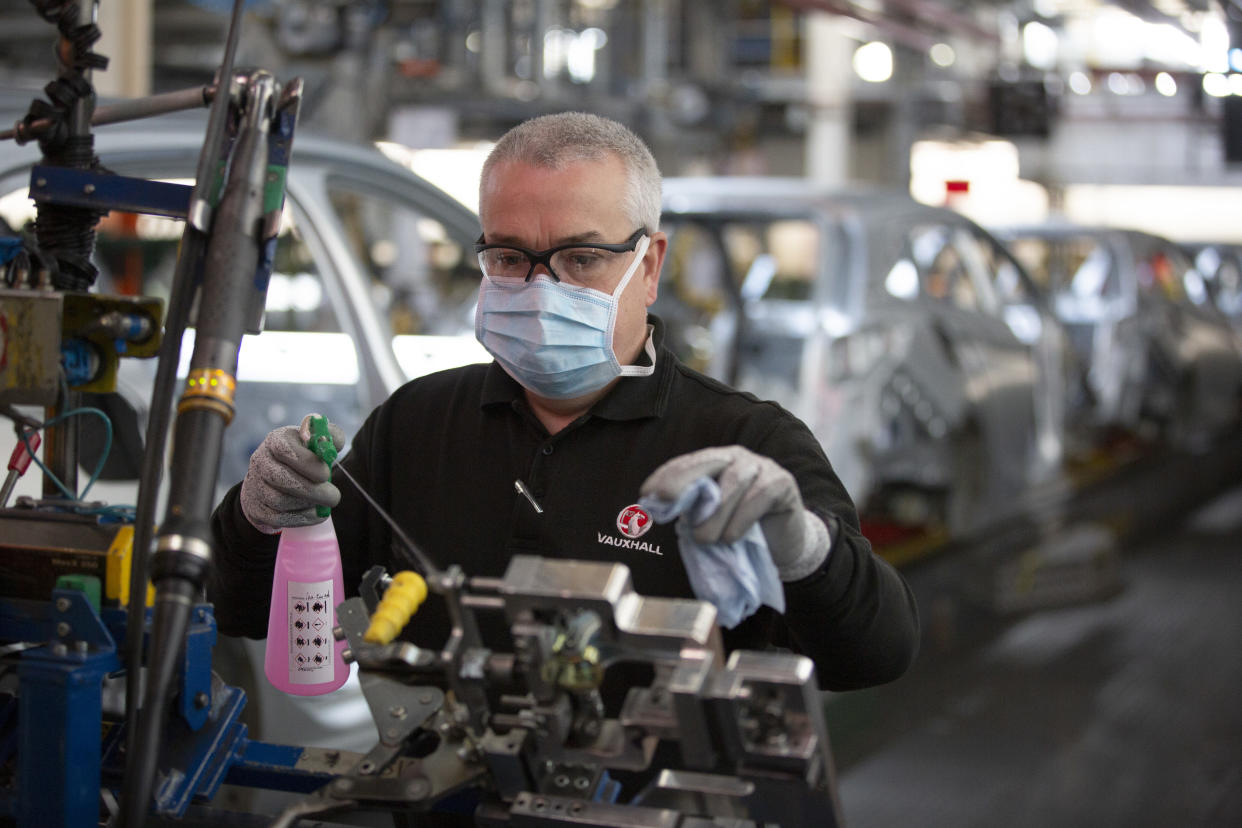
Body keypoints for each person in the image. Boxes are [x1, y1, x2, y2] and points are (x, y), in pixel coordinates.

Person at [209, 112, 919, 694]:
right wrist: (257, 518)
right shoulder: (418, 421)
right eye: (510, 259)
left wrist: (805, 551)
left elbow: (874, 656)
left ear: (649, 266)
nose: (541, 289)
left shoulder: (745, 443)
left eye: (581, 259)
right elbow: (245, 611)